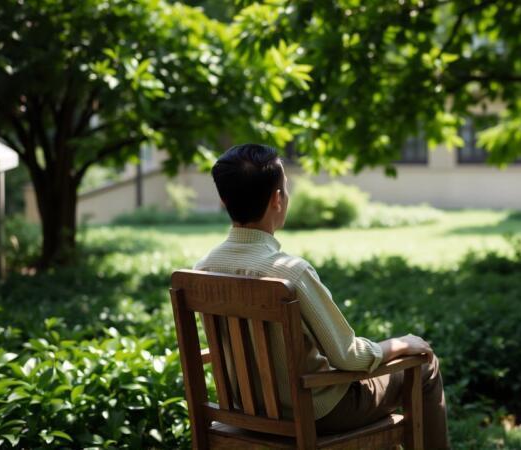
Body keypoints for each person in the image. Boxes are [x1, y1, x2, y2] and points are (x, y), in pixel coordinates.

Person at [193, 143, 450, 449]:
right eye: (285, 189)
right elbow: (348, 356)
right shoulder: (291, 274)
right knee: (423, 365)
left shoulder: (202, 270)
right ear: (277, 199)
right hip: (316, 413)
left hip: (244, 412)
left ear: (224, 200)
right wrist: (404, 345)